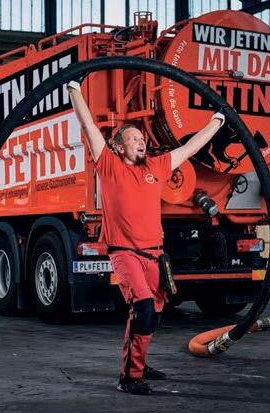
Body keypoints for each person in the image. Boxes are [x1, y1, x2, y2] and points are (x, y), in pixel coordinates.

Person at [67, 80, 226, 395]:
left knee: (154, 311)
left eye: (141, 138)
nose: (141, 142)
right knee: (143, 308)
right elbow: (88, 126)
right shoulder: (109, 165)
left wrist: (217, 121)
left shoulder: (157, 166)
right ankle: (129, 377)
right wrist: (75, 91)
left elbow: (191, 148)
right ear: (119, 147)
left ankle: (139, 362)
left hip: (155, 254)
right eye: (133, 138)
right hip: (125, 253)